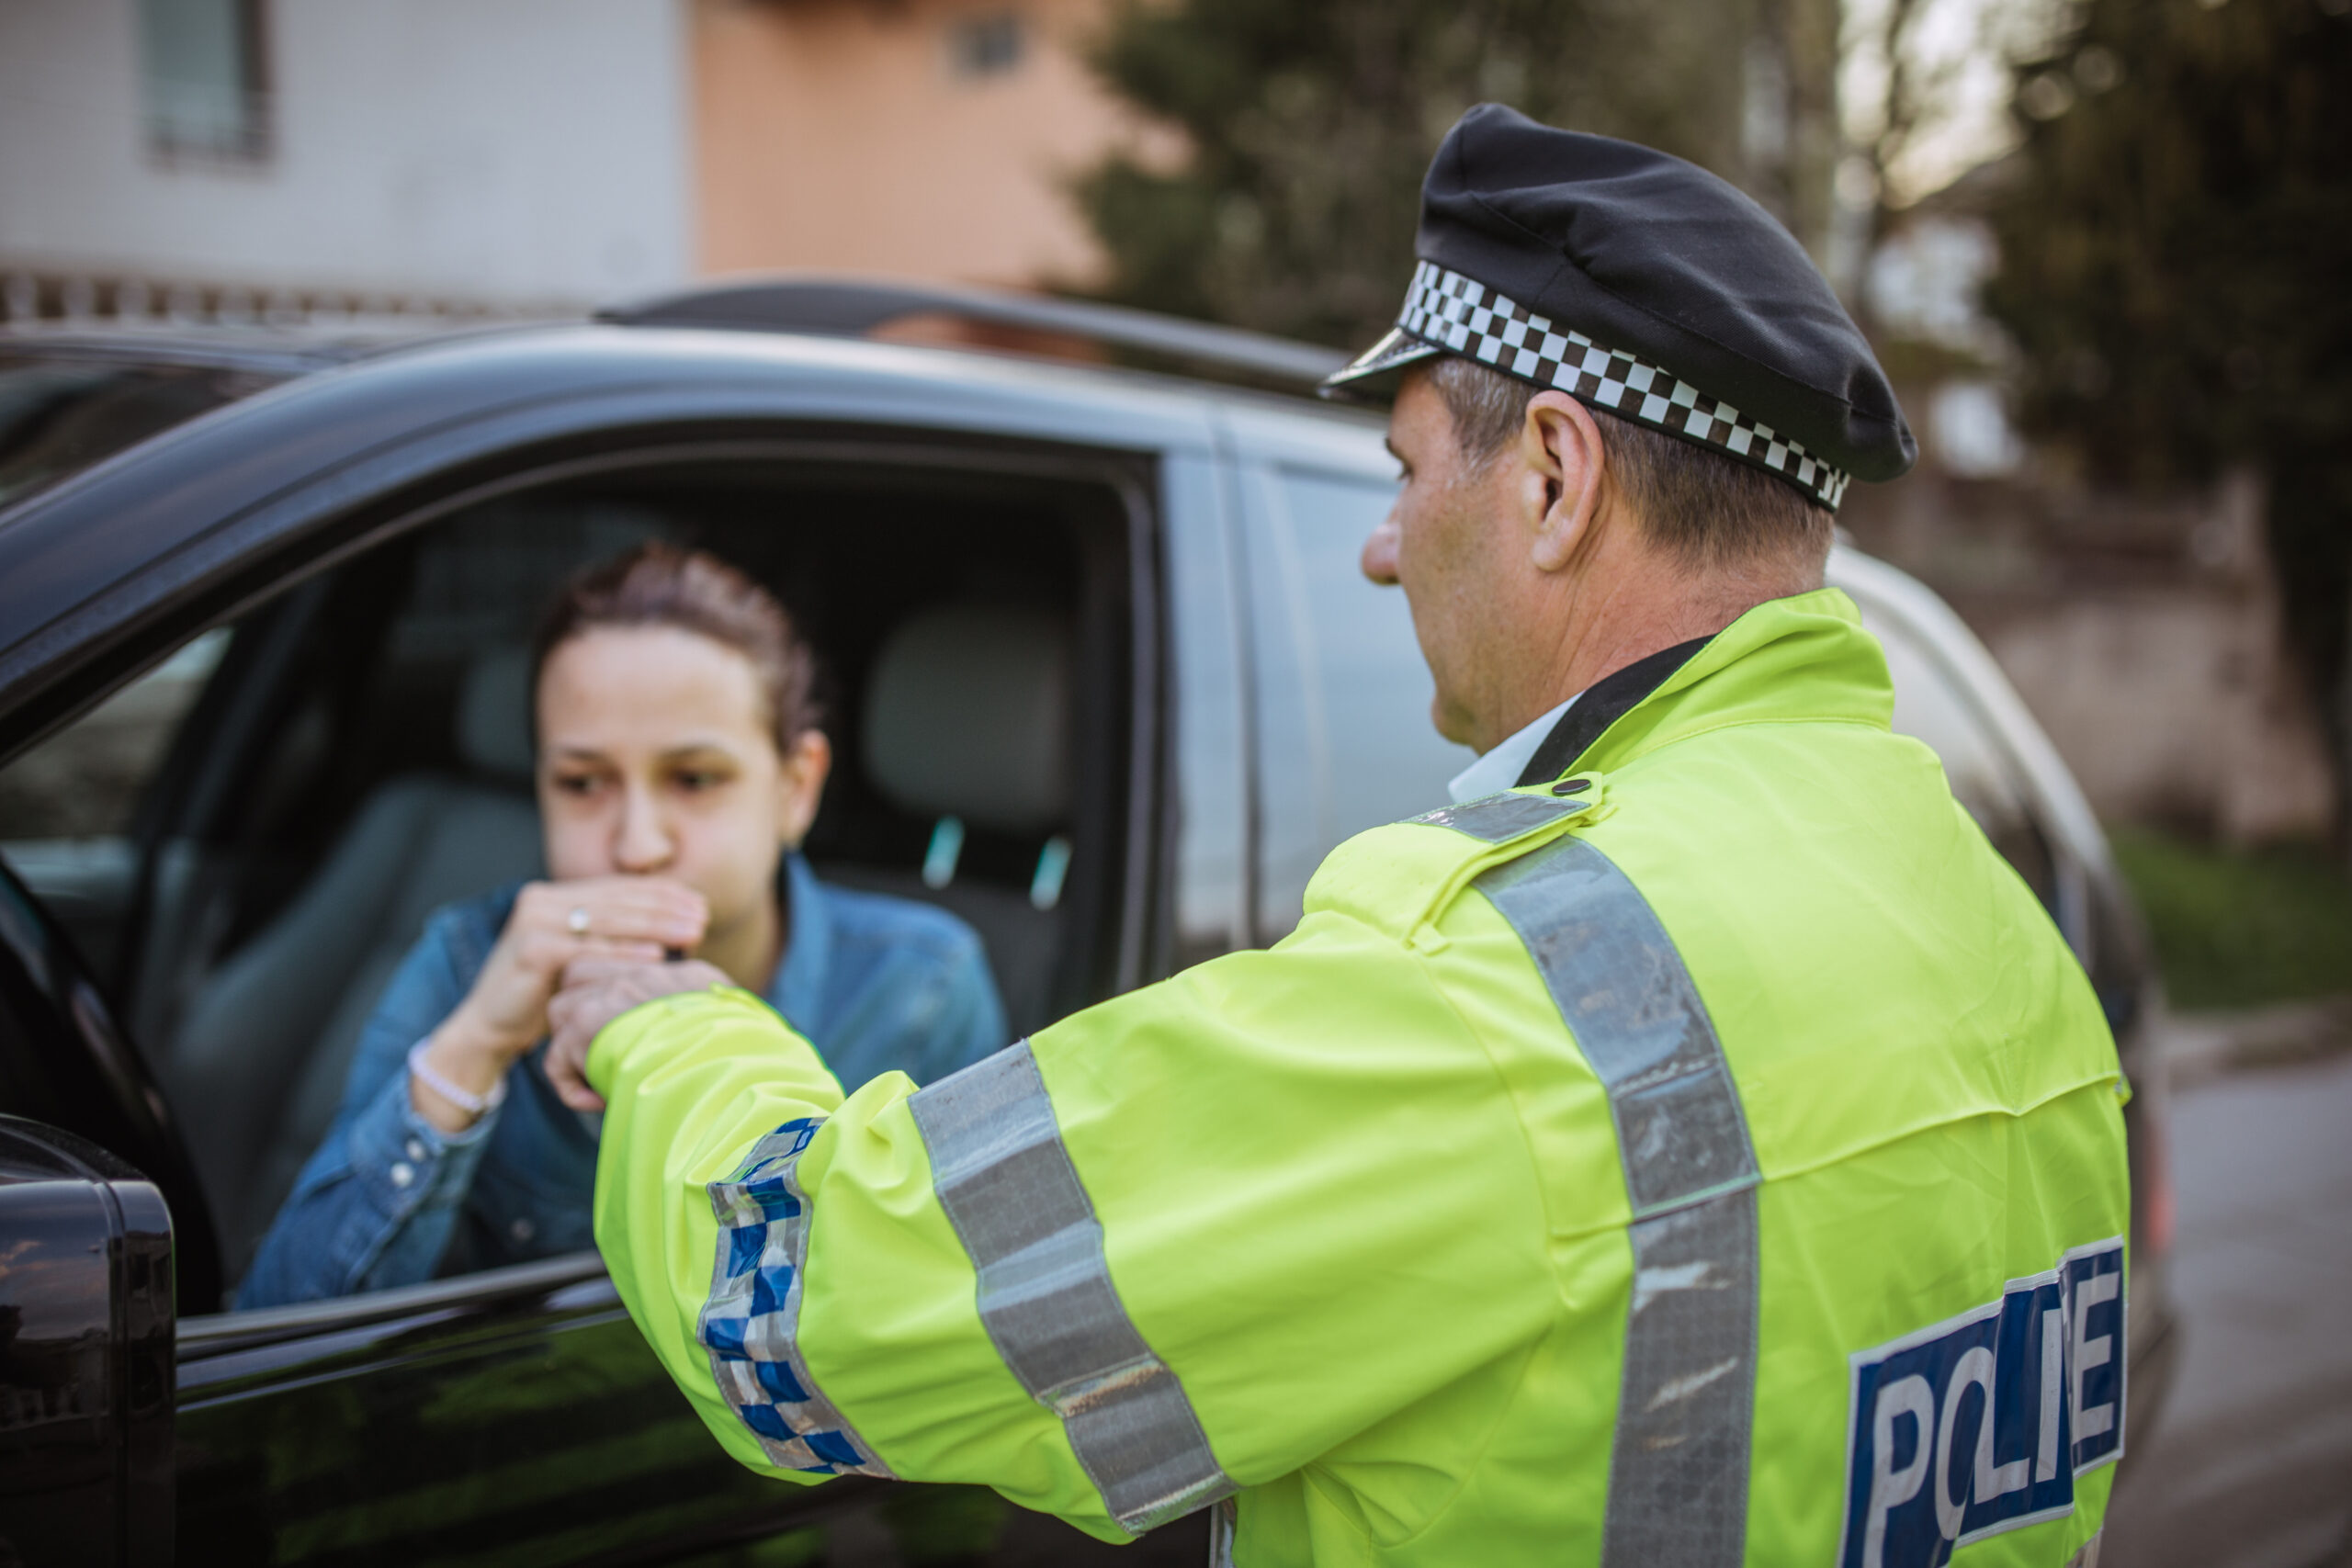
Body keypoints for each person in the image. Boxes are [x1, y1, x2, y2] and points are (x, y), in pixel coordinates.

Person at [543, 109, 2130, 1568]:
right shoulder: (1990, 917)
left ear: (1557, 477)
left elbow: (805, 1315)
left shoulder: (1506, 994)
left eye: (1404, 468)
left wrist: (666, 1022)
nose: (1379, 548)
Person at [239, 543, 1007, 1306]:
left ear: (796, 788)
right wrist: (473, 1048)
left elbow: (961, 1313)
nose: (637, 845)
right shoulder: (471, 960)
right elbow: (274, 1327)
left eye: (695, 779)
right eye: (582, 783)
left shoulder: (919, 988)